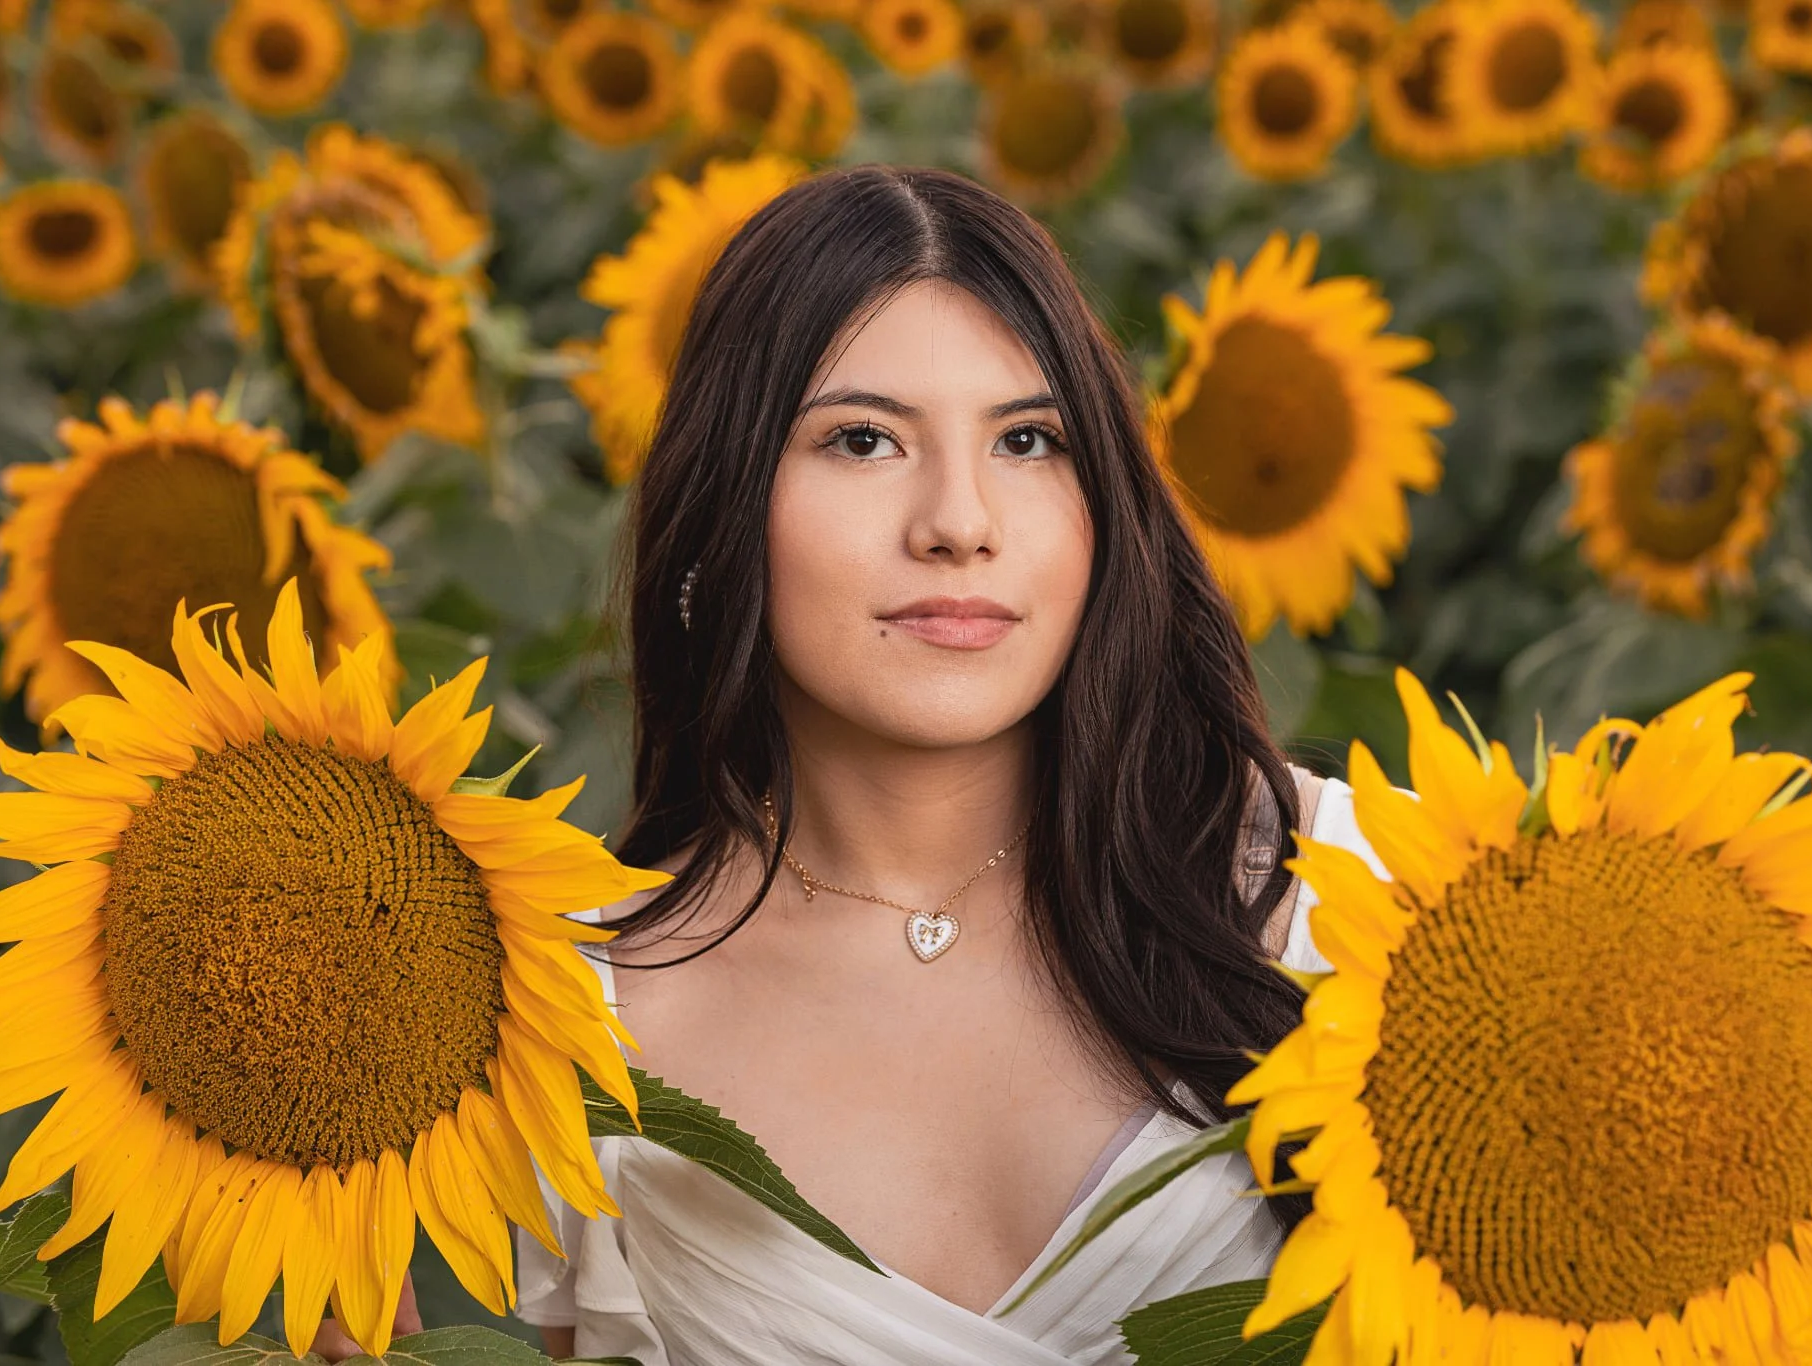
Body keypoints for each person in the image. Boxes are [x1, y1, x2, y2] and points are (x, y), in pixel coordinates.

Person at [326, 164, 1384, 1365]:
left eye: (1028, 439)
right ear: (724, 502)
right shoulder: (576, 1025)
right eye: (864, 439)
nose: (958, 520)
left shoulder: (1343, 897)